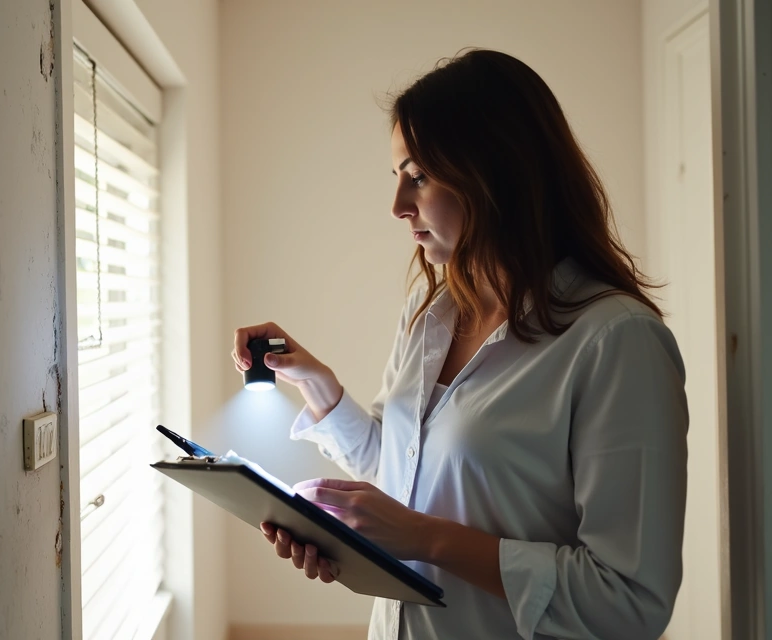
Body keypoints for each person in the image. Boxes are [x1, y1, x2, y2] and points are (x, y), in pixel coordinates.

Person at [230, 49, 688, 640]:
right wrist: (319, 391)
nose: (397, 205)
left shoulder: (616, 343)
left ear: (496, 172)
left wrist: (425, 539)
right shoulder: (430, 318)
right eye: (397, 176)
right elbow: (406, 473)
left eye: (418, 176)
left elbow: (628, 602)